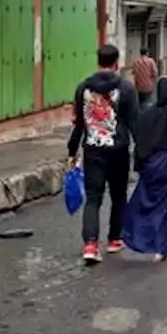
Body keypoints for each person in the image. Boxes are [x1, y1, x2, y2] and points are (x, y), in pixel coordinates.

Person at [68, 44, 141, 264]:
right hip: (118, 151)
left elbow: (79, 124)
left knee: (93, 198)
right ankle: (114, 239)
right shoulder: (127, 89)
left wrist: (72, 150)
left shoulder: (83, 89)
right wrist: (144, 150)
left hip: (92, 150)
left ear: (98, 61)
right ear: (116, 63)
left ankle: (90, 244)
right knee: (119, 196)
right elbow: (135, 123)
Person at [122, 76, 167, 262]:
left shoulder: (147, 114)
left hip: (152, 165)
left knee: (148, 204)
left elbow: (139, 142)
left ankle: (142, 239)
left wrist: (141, 165)